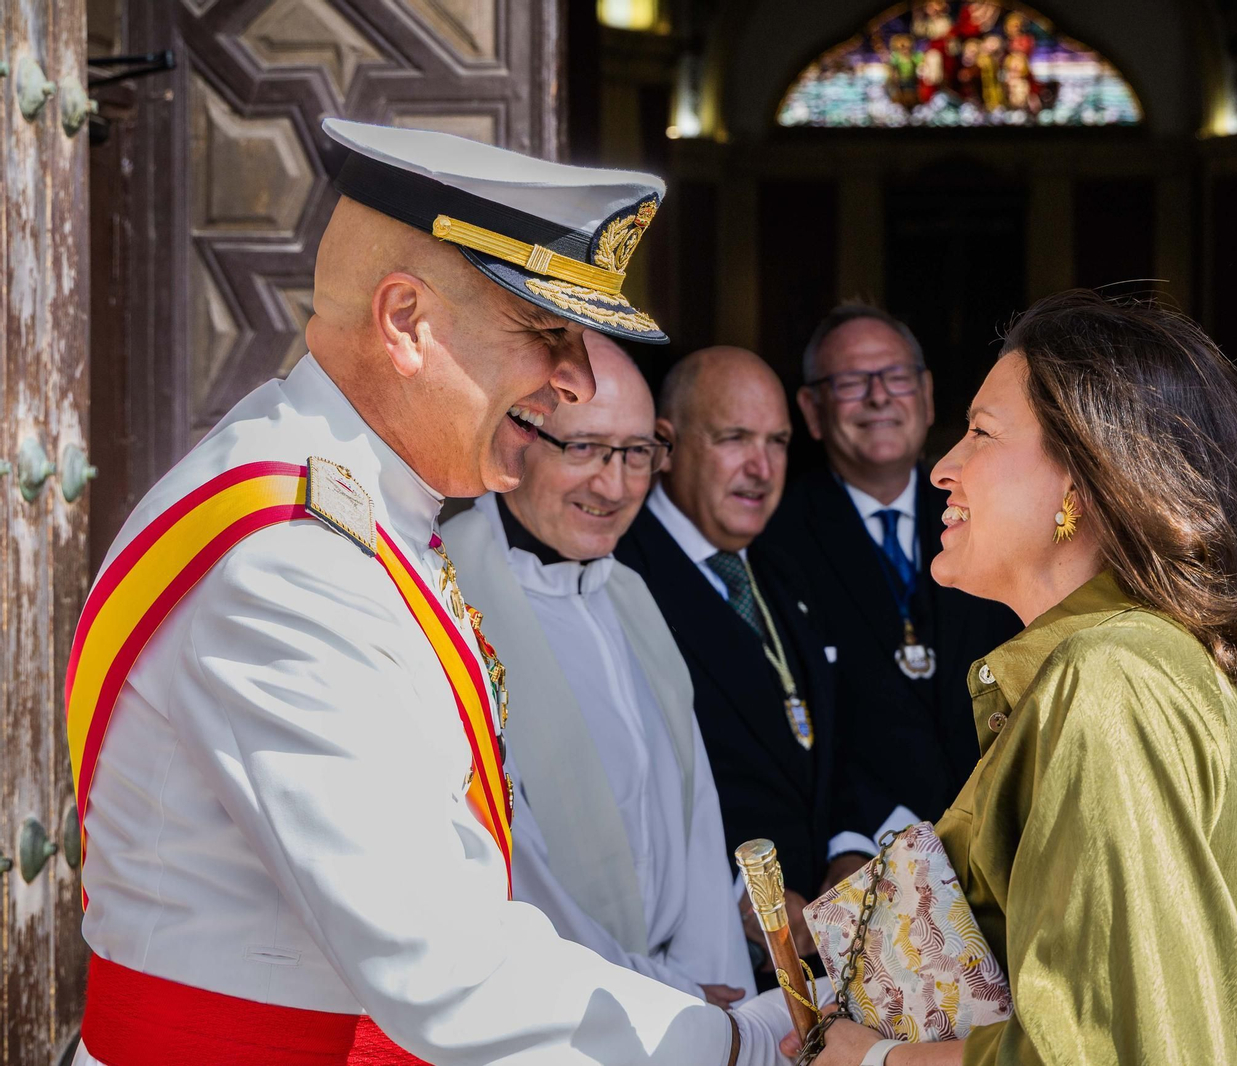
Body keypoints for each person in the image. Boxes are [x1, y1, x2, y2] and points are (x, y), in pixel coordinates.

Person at [66, 119, 792, 1065]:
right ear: (405, 321)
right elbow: (445, 971)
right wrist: (735, 1042)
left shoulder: (343, 492)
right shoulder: (291, 560)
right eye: (545, 332)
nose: (574, 382)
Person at [800, 290, 1237, 1066]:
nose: (943, 467)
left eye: (979, 433)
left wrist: (875, 1060)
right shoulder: (1144, 664)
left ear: (1084, 478)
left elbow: (1114, 1050)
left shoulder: (1113, 680)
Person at [440, 334, 757, 1010]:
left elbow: (699, 824)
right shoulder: (452, 595)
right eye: (583, 448)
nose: (614, 487)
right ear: (517, 435)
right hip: (553, 1014)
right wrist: (668, 998)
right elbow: (509, 873)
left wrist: (713, 1013)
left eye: (637, 453)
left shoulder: (632, 595)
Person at [613, 346, 862, 966]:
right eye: (734, 439)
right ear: (665, 446)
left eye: (776, 442)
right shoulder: (617, 572)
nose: (761, 467)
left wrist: (849, 851)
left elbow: (836, 742)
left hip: (823, 950)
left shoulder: (784, 567)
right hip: (708, 953)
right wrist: (746, 902)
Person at [765, 306, 1017, 874]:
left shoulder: (995, 516)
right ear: (812, 410)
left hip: (1002, 845)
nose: (879, 397)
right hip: (863, 858)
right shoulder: (775, 536)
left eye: (896, 377)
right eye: (852, 382)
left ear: (926, 396)